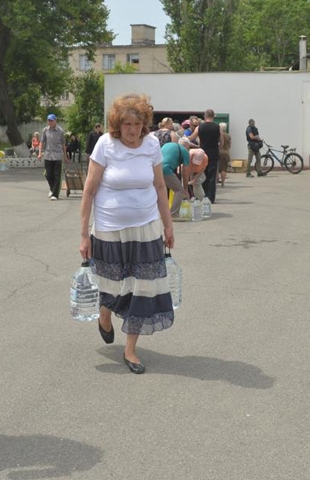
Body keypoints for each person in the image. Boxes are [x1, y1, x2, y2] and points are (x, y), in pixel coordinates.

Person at [79, 93, 175, 374]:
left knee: (143, 288)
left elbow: (160, 187)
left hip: (147, 227)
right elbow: (89, 190)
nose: (132, 130)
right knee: (111, 284)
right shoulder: (105, 145)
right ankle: (105, 314)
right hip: (109, 229)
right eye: (126, 124)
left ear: (144, 124)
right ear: (117, 124)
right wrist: (83, 235)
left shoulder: (152, 145)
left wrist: (168, 225)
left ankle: (130, 349)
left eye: (137, 124)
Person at [189, 109, 222, 203]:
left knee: (202, 174)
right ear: (213, 116)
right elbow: (222, 142)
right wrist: (217, 146)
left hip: (202, 154)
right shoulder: (218, 127)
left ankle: (202, 196)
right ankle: (210, 197)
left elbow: (191, 138)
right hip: (213, 153)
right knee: (212, 176)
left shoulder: (199, 127)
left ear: (205, 116)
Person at [39, 113, 66, 200]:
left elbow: (63, 144)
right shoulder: (45, 130)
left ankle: (55, 194)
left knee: (57, 175)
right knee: (48, 174)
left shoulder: (60, 131)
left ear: (55, 121)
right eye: (49, 120)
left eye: (51, 120)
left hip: (57, 155)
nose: (50, 122)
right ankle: (52, 188)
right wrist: (40, 153)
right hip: (48, 155)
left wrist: (65, 156)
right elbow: (42, 142)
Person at [162, 138, 191, 218]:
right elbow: (185, 173)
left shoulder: (168, 145)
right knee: (179, 190)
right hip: (166, 169)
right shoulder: (185, 152)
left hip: (154, 168)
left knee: (159, 191)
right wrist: (185, 189)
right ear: (187, 145)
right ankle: (173, 213)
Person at [218, 122, 231, 186]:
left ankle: (216, 180)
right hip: (225, 152)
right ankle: (223, 182)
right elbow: (230, 145)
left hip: (218, 151)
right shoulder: (228, 136)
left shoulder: (218, 135)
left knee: (216, 167)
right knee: (224, 168)